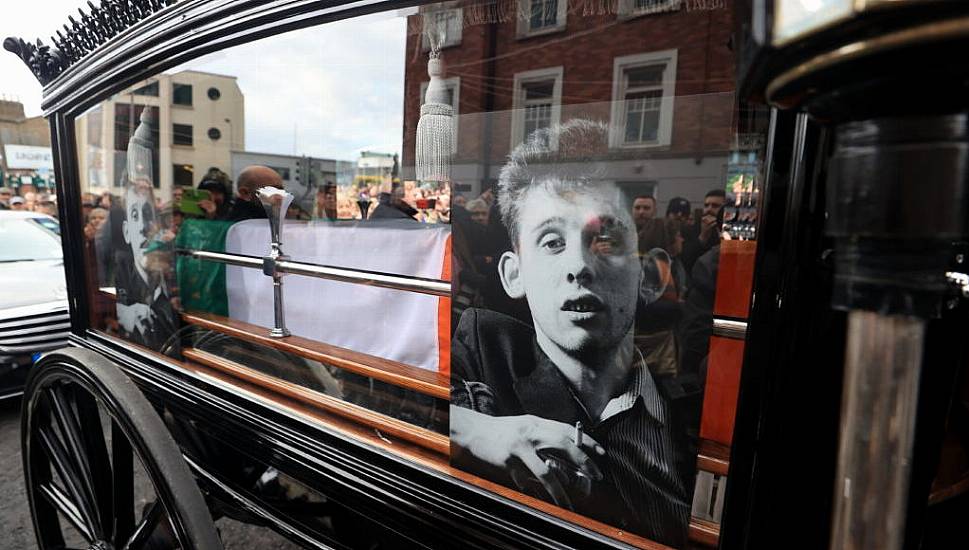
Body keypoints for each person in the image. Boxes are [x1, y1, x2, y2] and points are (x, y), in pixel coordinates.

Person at [450, 120, 691, 548]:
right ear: (513, 274)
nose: (578, 266)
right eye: (552, 242)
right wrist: (469, 429)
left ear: (651, 276)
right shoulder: (485, 350)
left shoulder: (692, 419)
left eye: (606, 240)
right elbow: (384, 406)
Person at [114, 108, 177, 350]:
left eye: (149, 214)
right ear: (127, 231)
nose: (143, 227)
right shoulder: (121, 269)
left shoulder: (169, 267)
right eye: (134, 215)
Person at [681, 189, 726, 272]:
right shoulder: (690, 230)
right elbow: (686, 260)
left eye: (715, 206)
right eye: (706, 205)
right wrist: (702, 237)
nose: (709, 209)